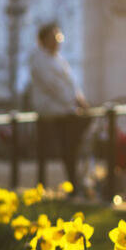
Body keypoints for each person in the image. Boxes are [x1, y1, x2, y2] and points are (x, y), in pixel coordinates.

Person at [29, 23, 89, 191]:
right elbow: (53, 86)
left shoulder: (58, 59)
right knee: (68, 146)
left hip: (65, 109)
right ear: (44, 39)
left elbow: (71, 84)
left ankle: (75, 181)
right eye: (55, 37)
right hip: (53, 110)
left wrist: (79, 98)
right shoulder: (39, 59)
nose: (58, 41)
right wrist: (74, 101)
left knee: (71, 146)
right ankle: (71, 183)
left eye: (59, 37)